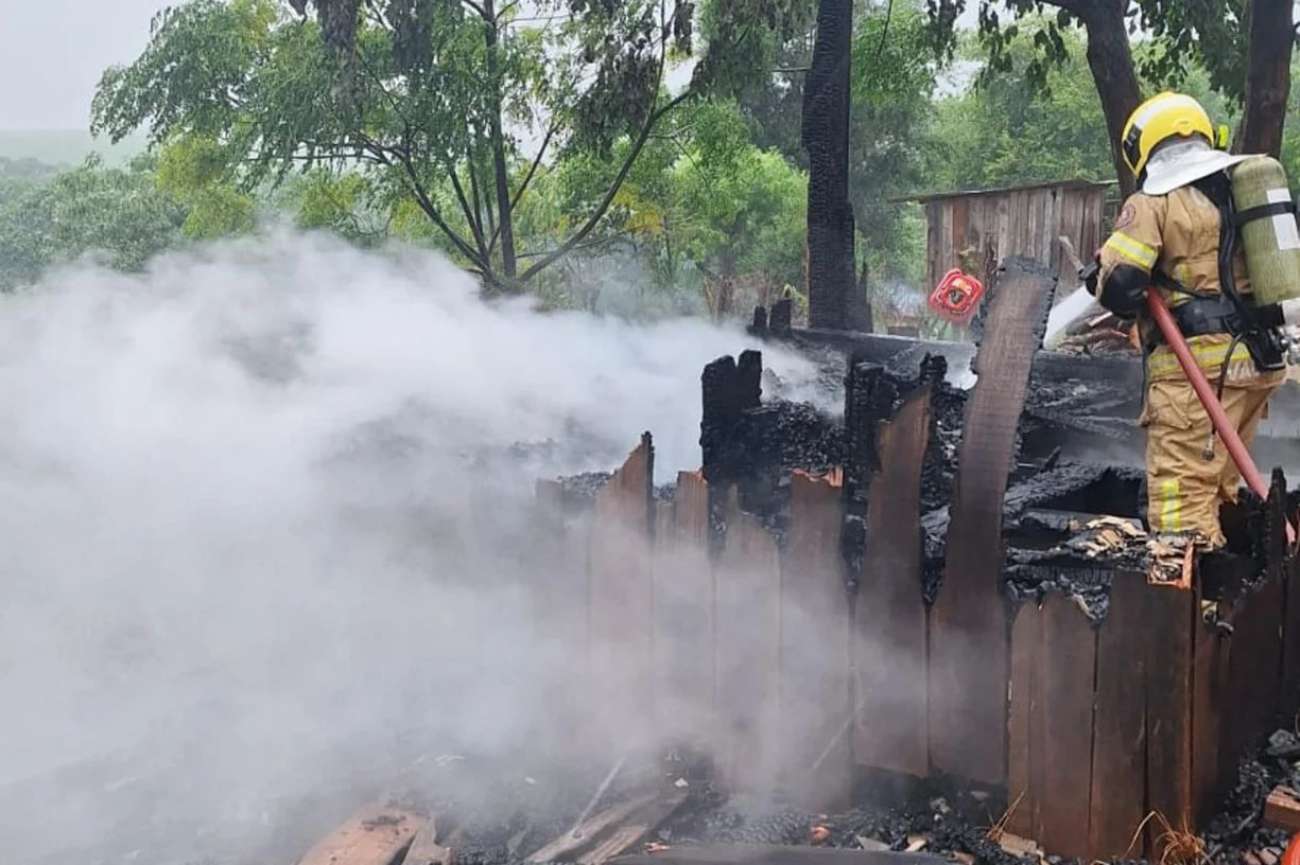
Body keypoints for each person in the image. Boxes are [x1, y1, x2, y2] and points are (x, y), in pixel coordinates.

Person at [1090, 91, 1288, 548]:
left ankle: (1187, 609)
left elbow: (1121, 286)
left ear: (1143, 148)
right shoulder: (1240, 188)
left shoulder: (1155, 200)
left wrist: (1096, 278)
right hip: (1253, 366)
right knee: (1217, 488)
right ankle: (1233, 602)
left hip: (1195, 376)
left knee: (1180, 504)